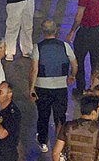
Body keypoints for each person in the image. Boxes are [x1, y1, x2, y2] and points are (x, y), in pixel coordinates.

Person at [30, 19, 77, 153]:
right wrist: (72, 76)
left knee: (43, 115)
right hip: (60, 87)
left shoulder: (38, 48)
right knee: (60, 116)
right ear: (56, 31)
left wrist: (31, 88)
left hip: (42, 87)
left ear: (43, 31)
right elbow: (75, 64)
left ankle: (43, 141)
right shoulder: (65, 46)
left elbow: (34, 70)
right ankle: (60, 144)